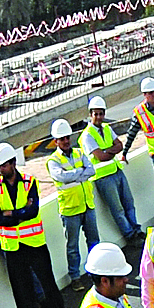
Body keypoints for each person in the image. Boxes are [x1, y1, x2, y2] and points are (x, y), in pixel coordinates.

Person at [0, 143, 74, 308]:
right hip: (12, 248)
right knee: (22, 294)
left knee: (49, 286)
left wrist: (10, 215)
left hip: (34, 244)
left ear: (13, 163)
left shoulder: (30, 182)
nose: (0, 171)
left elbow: (32, 212)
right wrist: (18, 214)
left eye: (4, 166)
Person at [46, 118, 102, 284]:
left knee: (94, 241)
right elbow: (61, 177)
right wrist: (80, 172)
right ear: (55, 141)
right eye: (62, 139)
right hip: (70, 210)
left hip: (87, 204)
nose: (65, 141)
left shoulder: (78, 152)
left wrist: (73, 176)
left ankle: (98, 272)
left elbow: (91, 170)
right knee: (72, 247)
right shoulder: (53, 161)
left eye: (67, 138)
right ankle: (75, 278)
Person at [83, 96, 140, 241]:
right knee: (118, 209)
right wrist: (111, 150)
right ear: (90, 115)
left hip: (116, 170)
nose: (99, 117)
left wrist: (106, 151)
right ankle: (129, 235)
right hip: (103, 177)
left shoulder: (107, 128)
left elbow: (119, 145)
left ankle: (136, 229)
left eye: (101, 113)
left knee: (129, 203)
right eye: (96, 114)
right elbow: (100, 156)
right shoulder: (87, 135)